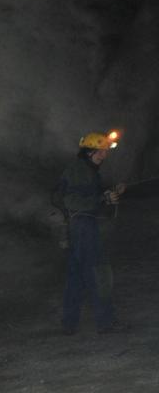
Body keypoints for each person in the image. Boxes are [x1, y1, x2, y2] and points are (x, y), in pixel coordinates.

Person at [55, 129, 126, 335]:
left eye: (105, 151)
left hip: (80, 227)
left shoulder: (87, 170)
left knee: (76, 276)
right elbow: (71, 200)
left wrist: (110, 192)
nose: (104, 155)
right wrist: (102, 199)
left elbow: (86, 195)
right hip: (82, 228)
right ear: (89, 152)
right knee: (99, 273)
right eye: (101, 151)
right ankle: (106, 323)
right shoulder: (80, 170)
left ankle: (69, 325)